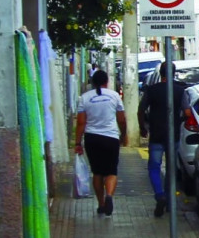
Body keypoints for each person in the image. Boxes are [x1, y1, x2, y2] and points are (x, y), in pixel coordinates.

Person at [137, 60, 191, 218]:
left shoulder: (151, 90)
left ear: (160, 73)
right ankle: (168, 200)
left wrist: (142, 128)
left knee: (154, 167)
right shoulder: (180, 91)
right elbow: (187, 113)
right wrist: (180, 122)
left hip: (156, 135)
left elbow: (141, 110)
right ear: (174, 74)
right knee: (171, 169)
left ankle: (159, 195)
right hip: (172, 135)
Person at [74, 69, 128, 216]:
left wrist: (78, 143)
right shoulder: (115, 96)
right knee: (111, 171)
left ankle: (101, 204)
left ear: (92, 82)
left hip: (92, 139)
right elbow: (121, 120)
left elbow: (80, 123)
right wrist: (124, 135)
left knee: (97, 172)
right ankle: (109, 195)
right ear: (107, 81)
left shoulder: (84, 98)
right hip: (111, 138)